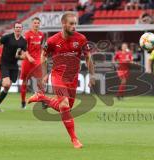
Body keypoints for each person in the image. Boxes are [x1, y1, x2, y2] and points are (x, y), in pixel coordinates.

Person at [27, 12, 95, 149]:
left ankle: (42, 97)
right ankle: (74, 139)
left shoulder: (81, 39)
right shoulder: (52, 40)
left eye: (75, 24)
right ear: (63, 24)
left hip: (73, 77)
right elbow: (43, 56)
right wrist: (45, 74)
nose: (74, 26)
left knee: (65, 108)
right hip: (58, 76)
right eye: (71, 24)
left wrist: (92, 75)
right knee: (64, 105)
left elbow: (88, 57)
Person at [0, 22, 28, 112]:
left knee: (7, 88)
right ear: (14, 28)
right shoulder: (7, 37)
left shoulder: (23, 41)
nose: (18, 29)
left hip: (14, 66)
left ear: (22, 29)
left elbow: (24, 56)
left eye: (19, 27)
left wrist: (18, 56)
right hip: (5, 64)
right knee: (6, 84)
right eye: (16, 27)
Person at [19, 17, 45, 109]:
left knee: (40, 82)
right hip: (27, 61)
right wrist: (29, 57)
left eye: (38, 23)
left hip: (37, 61)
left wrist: (42, 56)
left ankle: (43, 102)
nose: (36, 24)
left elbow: (41, 47)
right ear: (32, 24)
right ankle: (23, 102)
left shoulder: (42, 34)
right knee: (25, 82)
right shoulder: (27, 34)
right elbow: (24, 48)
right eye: (35, 23)